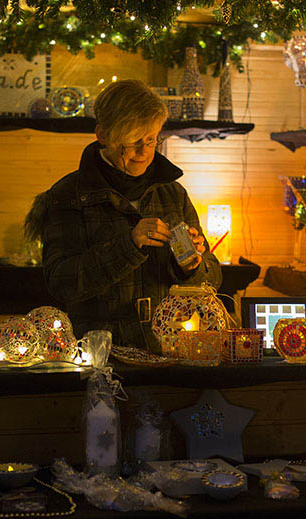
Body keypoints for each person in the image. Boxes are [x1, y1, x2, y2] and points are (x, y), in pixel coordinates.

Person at [25, 79, 222, 350]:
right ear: (103, 136)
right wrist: (128, 245)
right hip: (101, 356)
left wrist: (193, 267)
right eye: (131, 142)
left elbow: (211, 278)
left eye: (151, 140)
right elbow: (61, 282)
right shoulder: (69, 195)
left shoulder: (173, 193)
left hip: (170, 352)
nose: (143, 153)